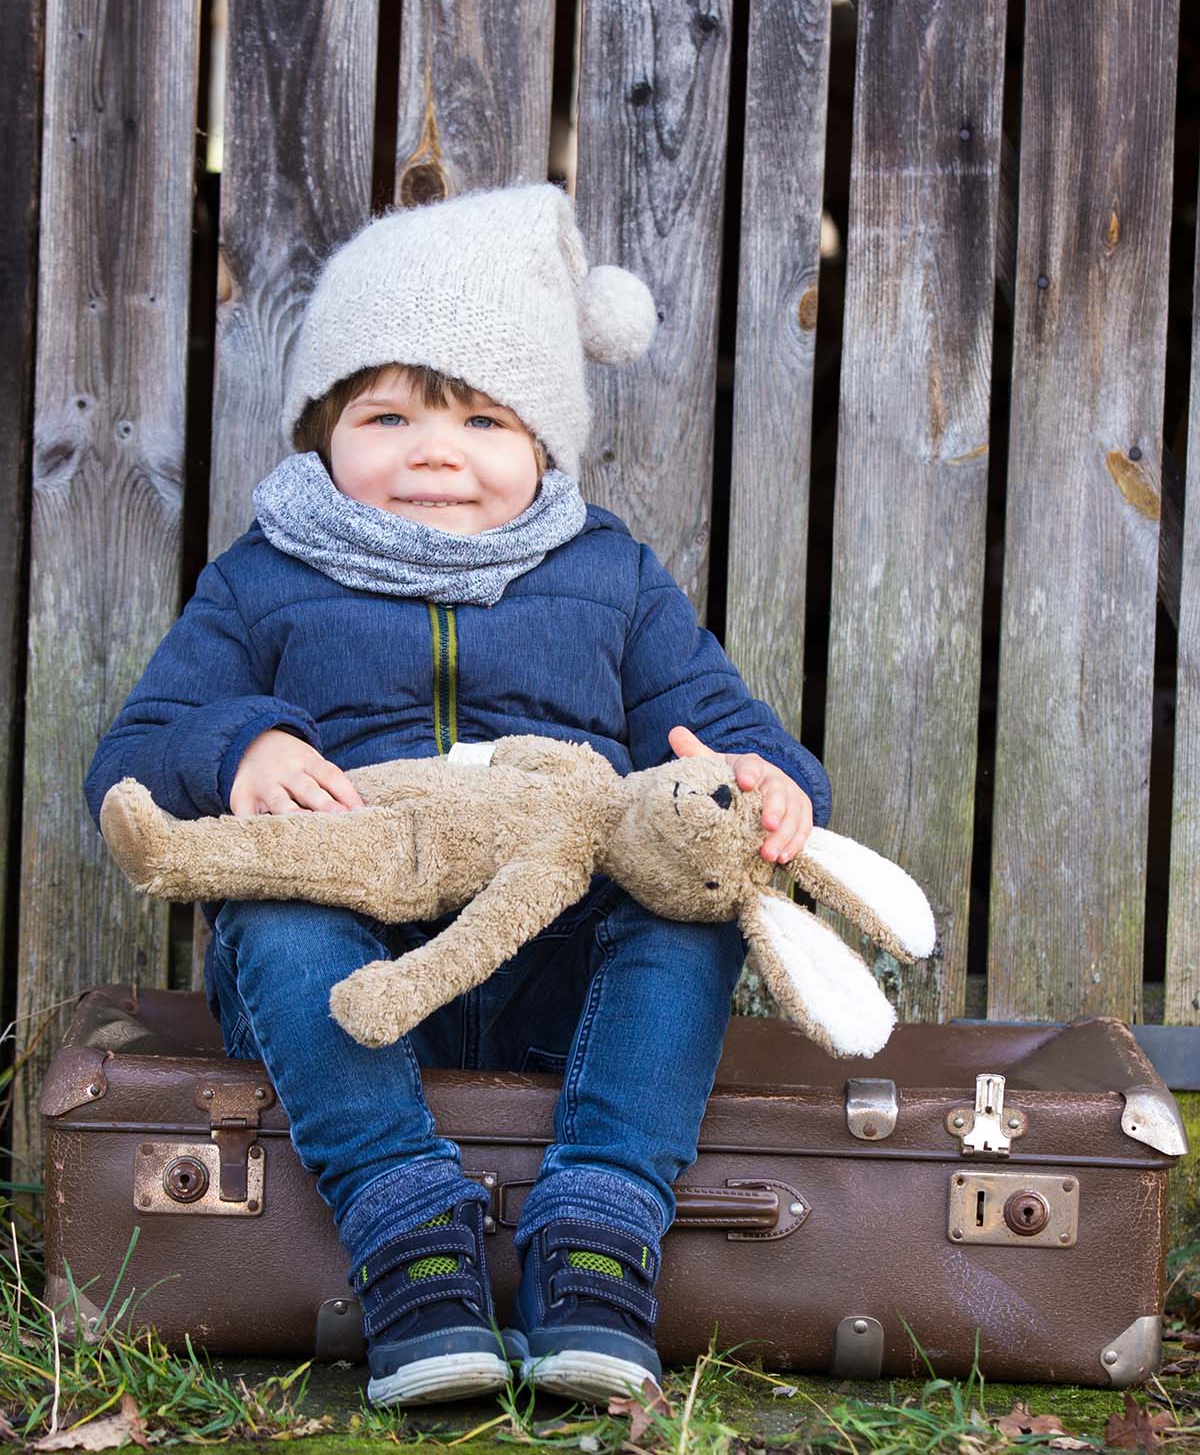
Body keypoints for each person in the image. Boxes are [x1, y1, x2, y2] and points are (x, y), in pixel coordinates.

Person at [85, 183, 831, 1409]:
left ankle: (598, 1230)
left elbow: (727, 731)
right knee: (277, 921)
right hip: (348, 976)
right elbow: (130, 756)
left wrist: (765, 788)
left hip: (562, 970)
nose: (435, 449)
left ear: (545, 442)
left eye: (484, 418)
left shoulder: (611, 577)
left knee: (689, 904)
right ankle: (407, 1237)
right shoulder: (264, 580)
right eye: (387, 413)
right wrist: (238, 750)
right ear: (321, 431)